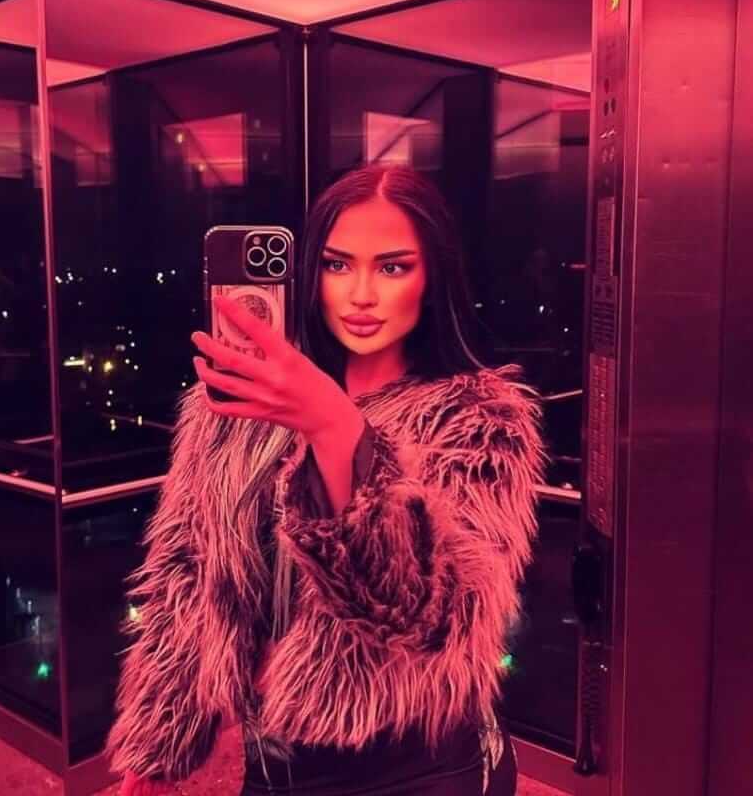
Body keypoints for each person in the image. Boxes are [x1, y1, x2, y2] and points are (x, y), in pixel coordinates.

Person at [108, 164, 547, 795]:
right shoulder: (235, 408)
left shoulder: (477, 419)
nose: (361, 293)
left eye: (392, 267)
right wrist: (158, 742)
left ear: (432, 277)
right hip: (274, 765)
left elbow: (431, 617)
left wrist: (335, 427)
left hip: (417, 768)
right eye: (338, 264)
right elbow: (187, 573)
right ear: (309, 273)